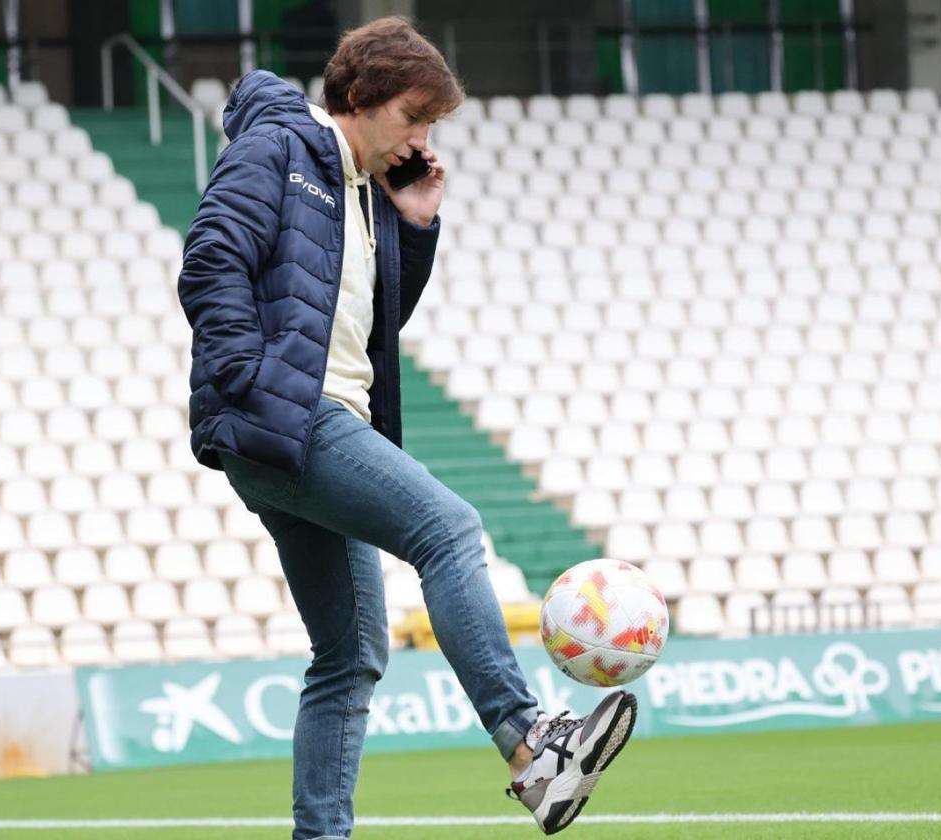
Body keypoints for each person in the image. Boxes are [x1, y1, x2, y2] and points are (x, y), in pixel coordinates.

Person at [177, 15, 636, 839]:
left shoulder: (364, 188)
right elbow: (211, 254)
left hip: (311, 419)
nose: (420, 139)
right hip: (289, 417)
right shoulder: (280, 149)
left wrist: (415, 224)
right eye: (411, 118)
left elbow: (370, 325)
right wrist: (250, 385)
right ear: (359, 96)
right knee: (450, 530)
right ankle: (531, 744)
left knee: (349, 657)